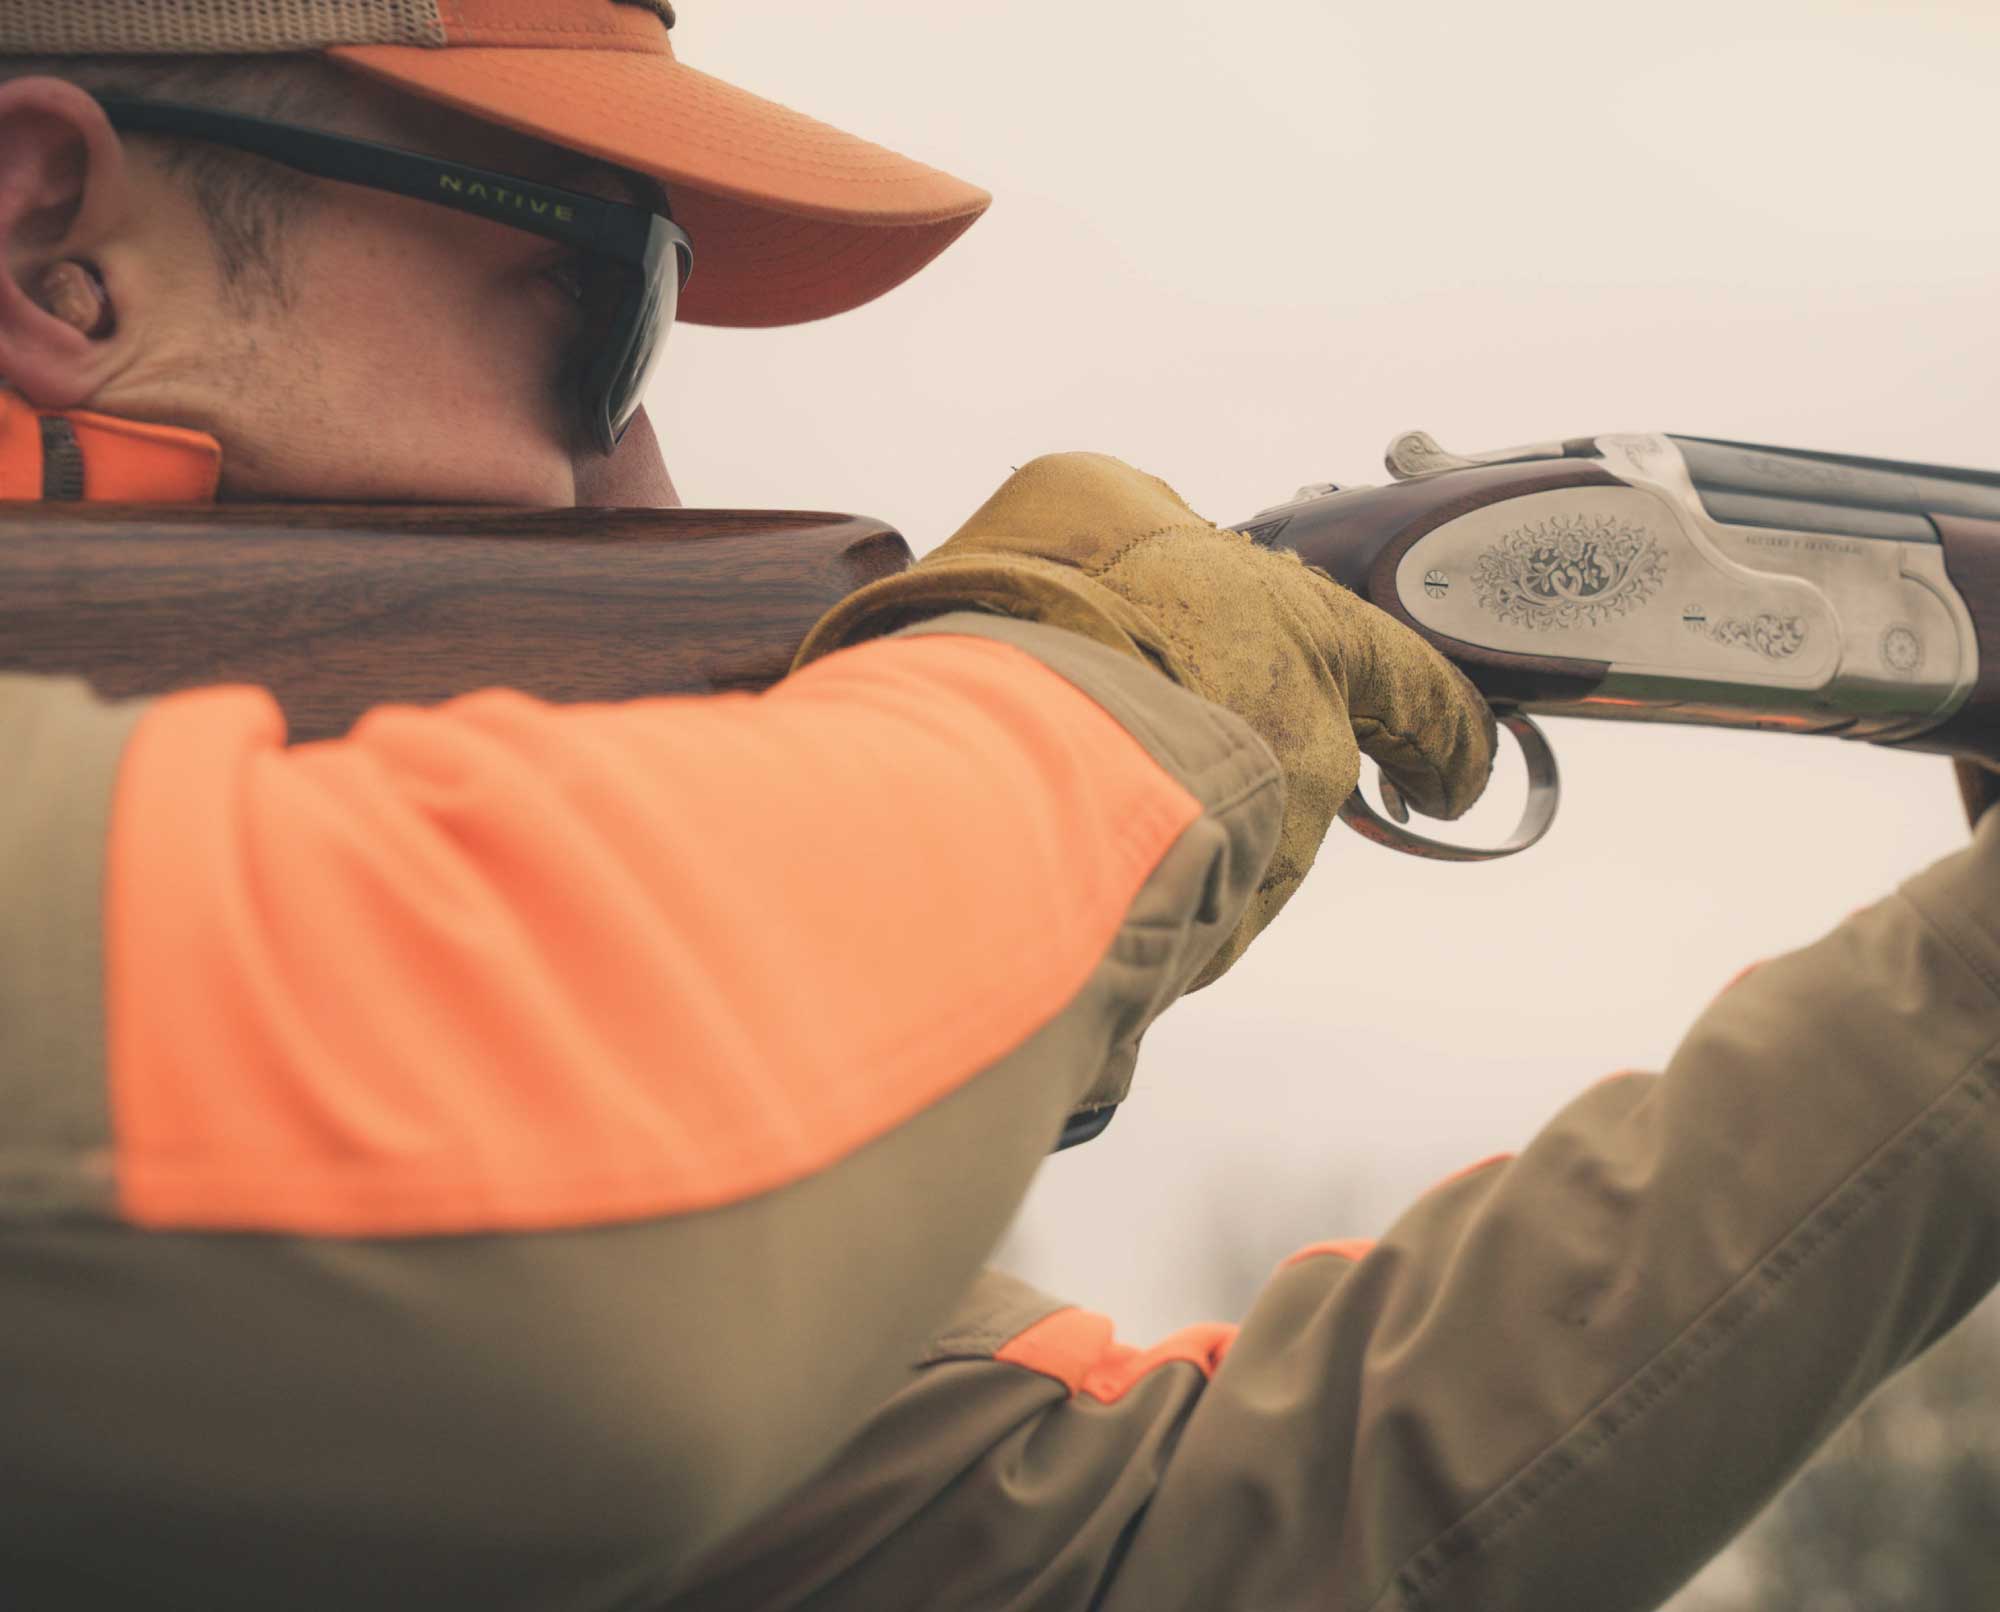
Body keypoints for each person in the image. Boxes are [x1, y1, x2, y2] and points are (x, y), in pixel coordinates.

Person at [0, 6, 1994, 1609]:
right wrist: (1116, 700)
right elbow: (566, 1279)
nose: (648, 488)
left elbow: (1185, 1537)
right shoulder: (518, 1183)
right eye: (594, 311)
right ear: (45, 243)